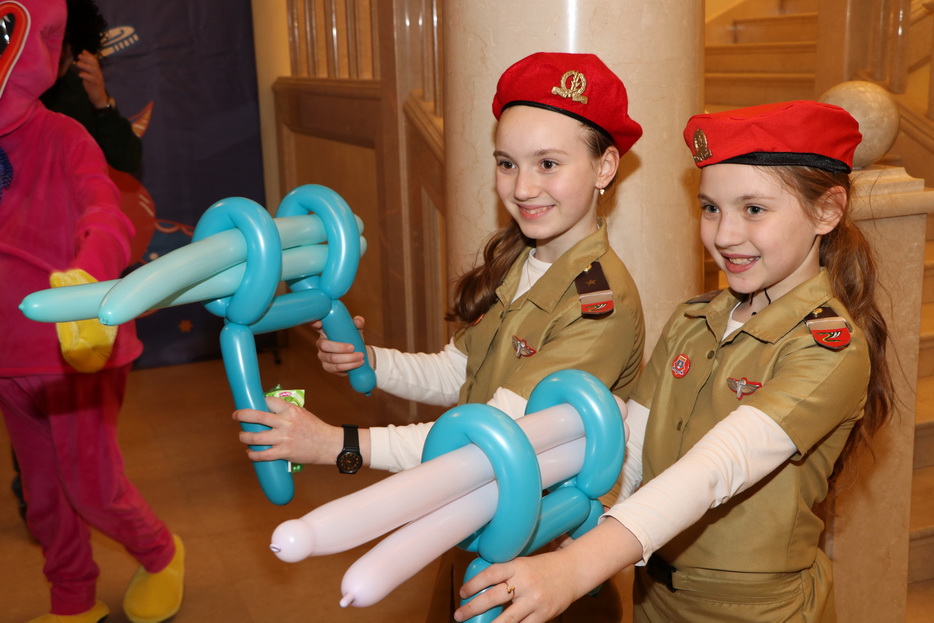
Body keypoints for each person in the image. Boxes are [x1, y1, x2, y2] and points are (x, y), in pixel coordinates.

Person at [234, 52, 646, 620]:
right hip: (474, 533)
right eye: (507, 163)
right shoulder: (522, 259)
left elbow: (485, 448)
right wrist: (370, 360)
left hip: (539, 569)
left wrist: (338, 446)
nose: (523, 187)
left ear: (605, 167)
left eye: (548, 163)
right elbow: (458, 372)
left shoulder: (598, 306)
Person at [454, 100, 894, 623]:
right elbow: (635, 449)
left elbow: (715, 468)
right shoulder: (692, 321)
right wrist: (582, 523)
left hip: (752, 611)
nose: (724, 235)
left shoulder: (829, 350)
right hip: (652, 593)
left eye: (754, 209)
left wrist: (575, 568)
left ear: (826, 211)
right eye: (711, 208)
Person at [0, 2, 183, 622]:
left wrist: (87, 280)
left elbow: (105, 212)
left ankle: (160, 554)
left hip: (75, 346)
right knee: (43, 496)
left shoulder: (62, 134)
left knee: (90, 486)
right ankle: (72, 599)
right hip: (10, 355)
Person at [40, 0, 142, 174]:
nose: (61, 52)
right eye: (52, 39)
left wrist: (102, 104)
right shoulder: (11, 87)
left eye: (66, 40)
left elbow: (128, 160)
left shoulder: (82, 85)